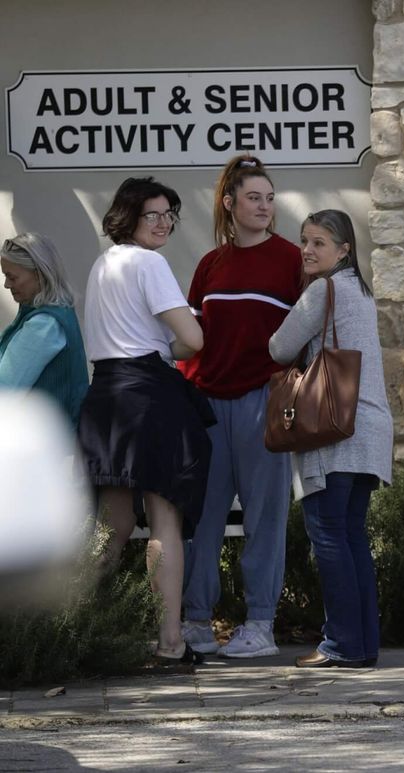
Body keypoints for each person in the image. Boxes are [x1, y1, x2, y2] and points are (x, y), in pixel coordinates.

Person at [78, 177, 211, 663]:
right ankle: (171, 642)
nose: (163, 223)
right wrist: (180, 334)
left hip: (105, 396)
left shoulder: (102, 264)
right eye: (151, 214)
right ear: (128, 218)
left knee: (110, 528)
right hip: (149, 398)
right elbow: (192, 341)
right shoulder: (149, 263)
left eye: (168, 214)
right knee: (163, 523)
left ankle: (75, 628)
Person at [180, 155, 303, 660]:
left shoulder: (291, 259)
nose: (265, 207)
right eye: (254, 197)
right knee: (202, 520)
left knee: (265, 518)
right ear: (229, 204)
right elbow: (192, 341)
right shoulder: (209, 264)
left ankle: (259, 624)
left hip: (264, 402)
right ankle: (195, 623)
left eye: (270, 199)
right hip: (209, 405)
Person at [269, 210, 393, 669]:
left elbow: (279, 348)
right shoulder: (362, 292)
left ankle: (340, 644)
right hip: (372, 429)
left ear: (344, 250)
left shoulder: (322, 291)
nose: (307, 250)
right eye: (304, 240)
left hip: (332, 429)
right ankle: (362, 645)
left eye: (319, 242)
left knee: (328, 537)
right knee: (352, 537)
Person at [0, 233, 88, 425]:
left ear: (40, 274)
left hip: (46, 441)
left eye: (12, 277)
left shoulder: (46, 324)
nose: (7, 285)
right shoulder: (54, 314)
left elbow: (5, 389)